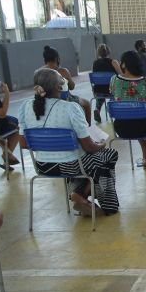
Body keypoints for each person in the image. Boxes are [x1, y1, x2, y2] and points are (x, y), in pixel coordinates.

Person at [18, 68, 119, 216]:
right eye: (62, 79)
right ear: (58, 87)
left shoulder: (25, 107)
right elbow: (89, 147)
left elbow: (23, 144)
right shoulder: (71, 108)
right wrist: (101, 143)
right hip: (70, 166)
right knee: (108, 155)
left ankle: (79, 194)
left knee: (94, 163)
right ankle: (89, 198)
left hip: (43, 166)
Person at [110, 50, 146, 167]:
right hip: (144, 129)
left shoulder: (114, 80)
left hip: (121, 128)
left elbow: (113, 94)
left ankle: (144, 157)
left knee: (136, 115)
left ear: (124, 64)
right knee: (143, 118)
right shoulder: (145, 80)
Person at [41, 45, 91, 125]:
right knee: (87, 104)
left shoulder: (40, 73)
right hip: (66, 100)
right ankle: (89, 129)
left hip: (46, 102)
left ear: (44, 59)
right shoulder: (63, 71)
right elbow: (72, 87)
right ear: (57, 58)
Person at [91, 44, 122, 123]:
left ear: (98, 53)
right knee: (115, 91)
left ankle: (97, 109)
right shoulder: (113, 62)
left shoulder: (95, 63)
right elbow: (121, 75)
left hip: (98, 90)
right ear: (108, 52)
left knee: (101, 94)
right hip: (112, 90)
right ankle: (111, 106)